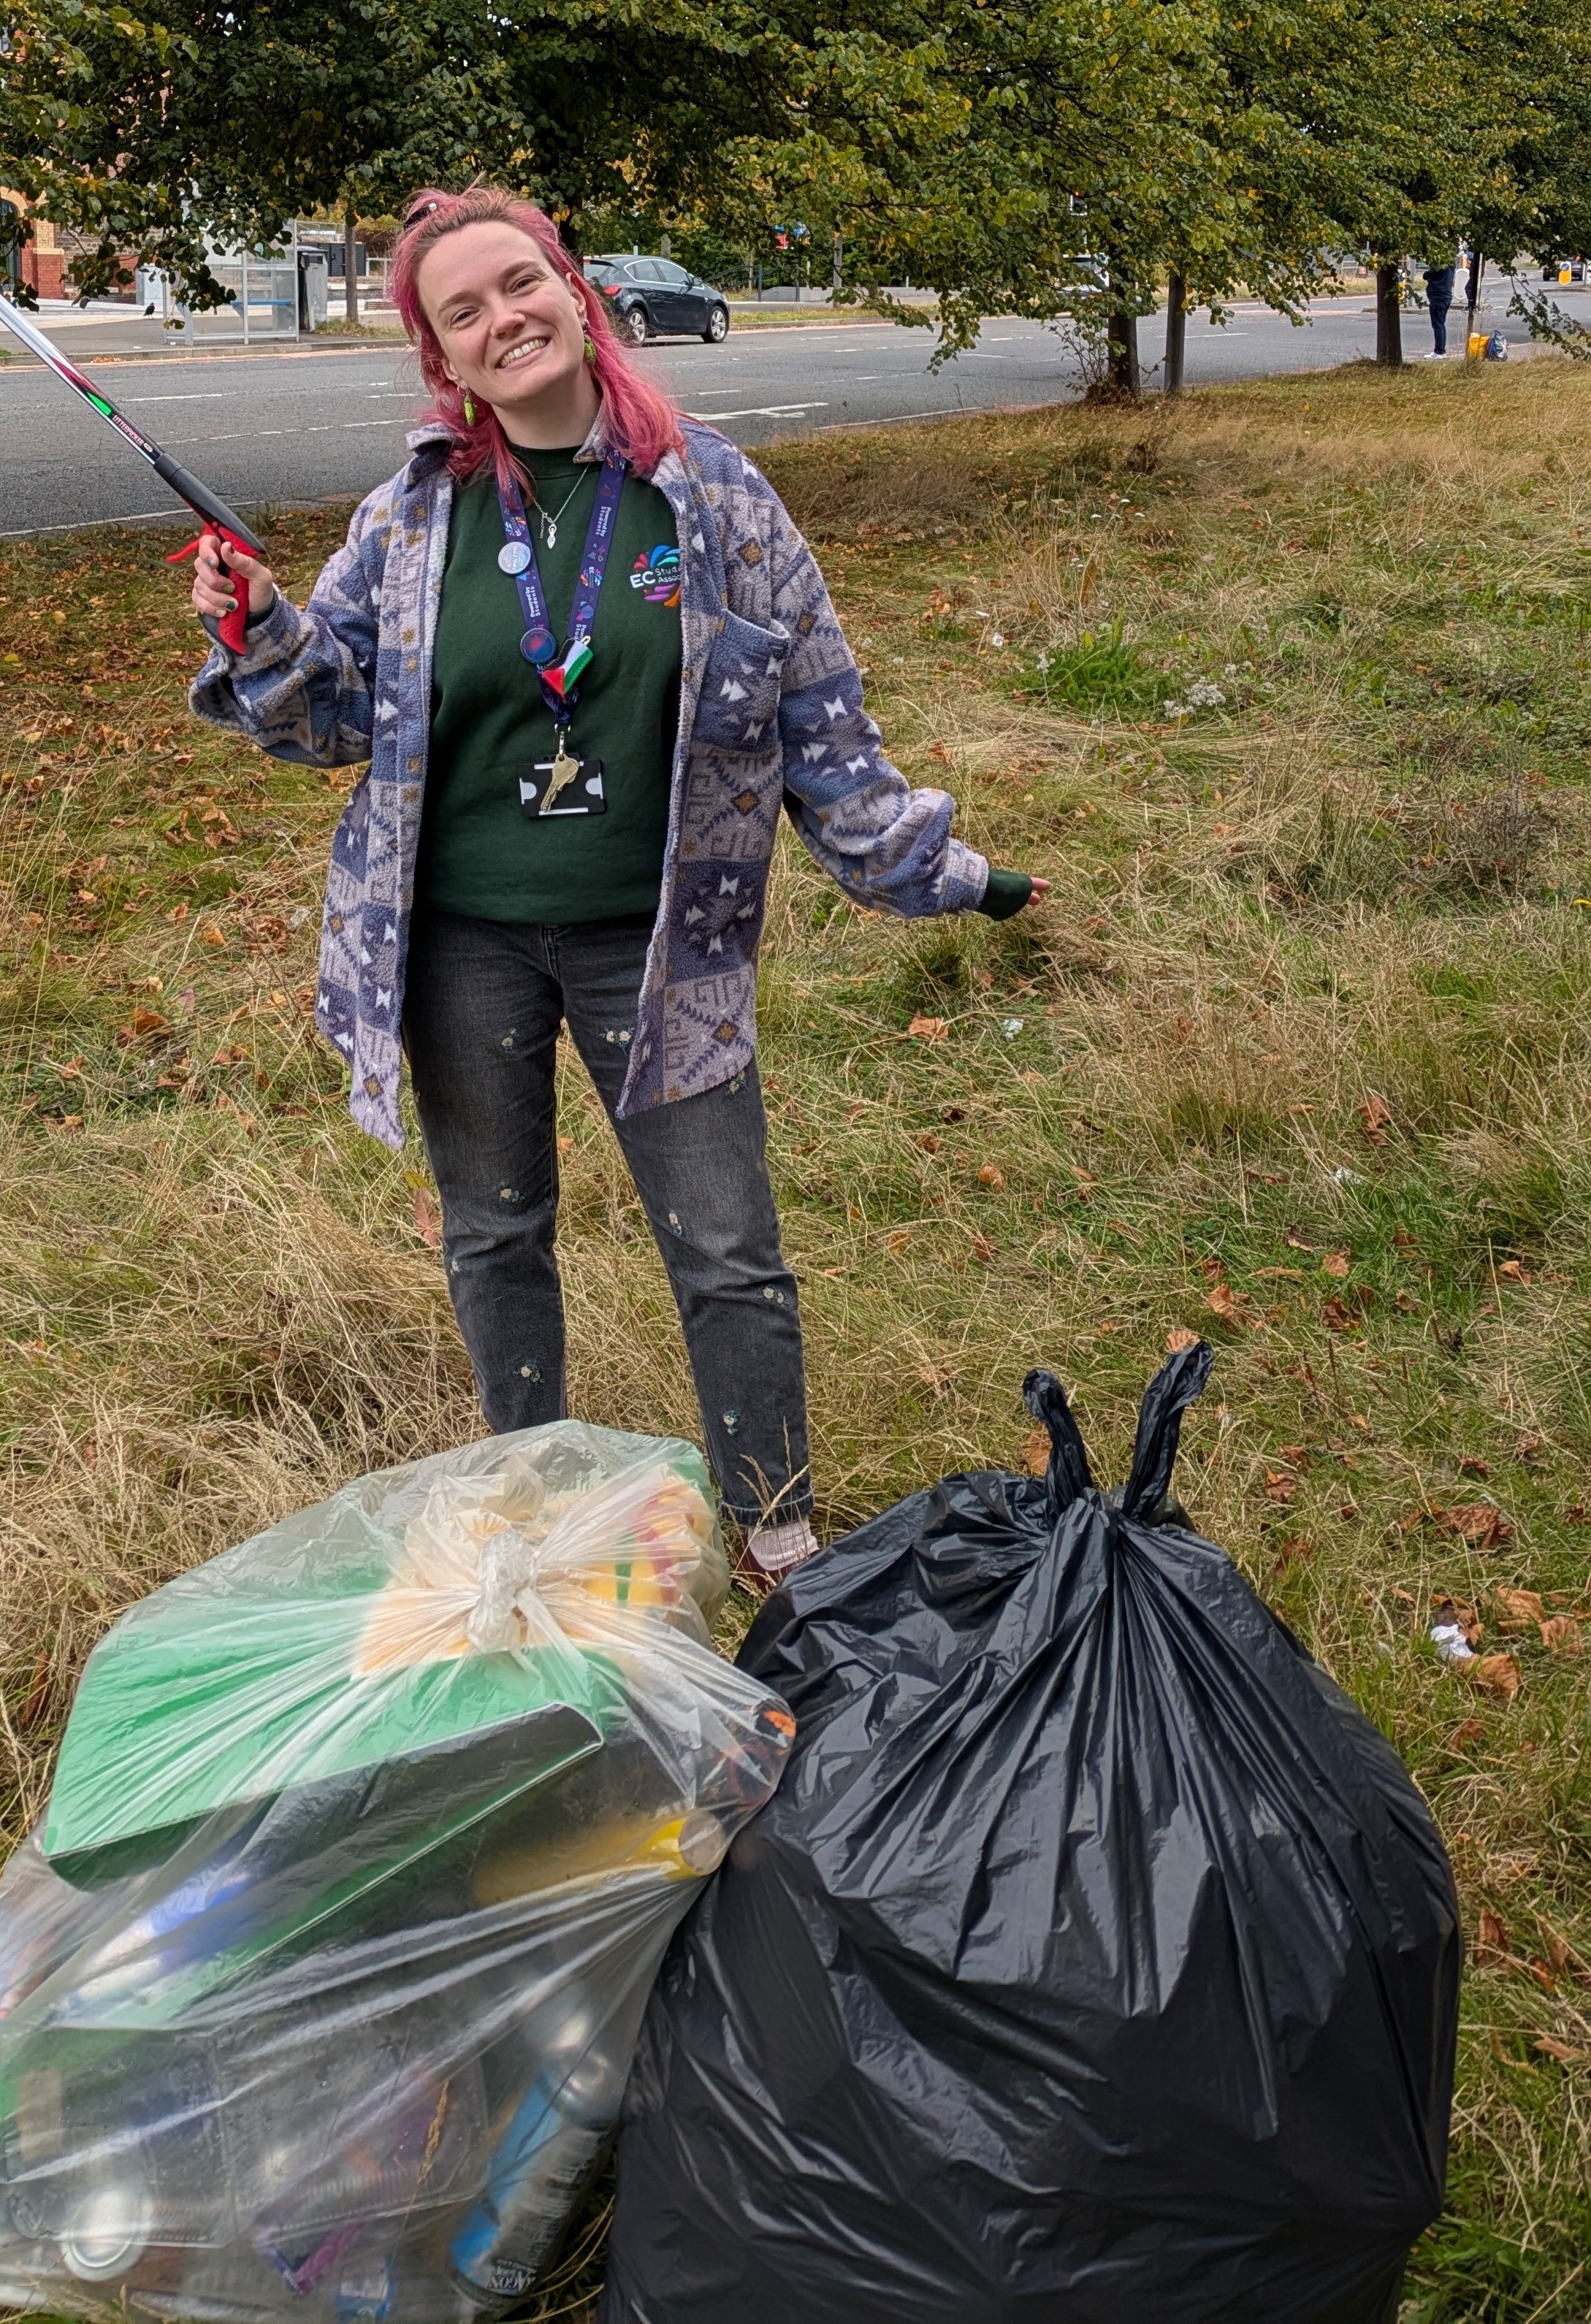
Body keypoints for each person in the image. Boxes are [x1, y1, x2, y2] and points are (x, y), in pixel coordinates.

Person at [184, 186, 1046, 1586]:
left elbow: (819, 716)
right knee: (495, 1230)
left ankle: (777, 1535)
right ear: (442, 361)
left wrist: (953, 872)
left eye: (518, 285)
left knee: (725, 1245)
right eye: (462, 312)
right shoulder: (410, 520)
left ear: (572, 293)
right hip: (460, 942)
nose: (502, 319)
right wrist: (262, 626)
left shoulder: (711, 496)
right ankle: (529, 1512)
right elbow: (328, 718)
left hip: (663, 943)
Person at [1424, 256, 1458, 358]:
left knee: (1437, 325)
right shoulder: (1451, 266)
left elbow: (1426, 275)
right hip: (1446, 297)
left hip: (1438, 297)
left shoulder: (1441, 266)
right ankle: (1441, 350)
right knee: (1441, 324)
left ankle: (1439, 351)